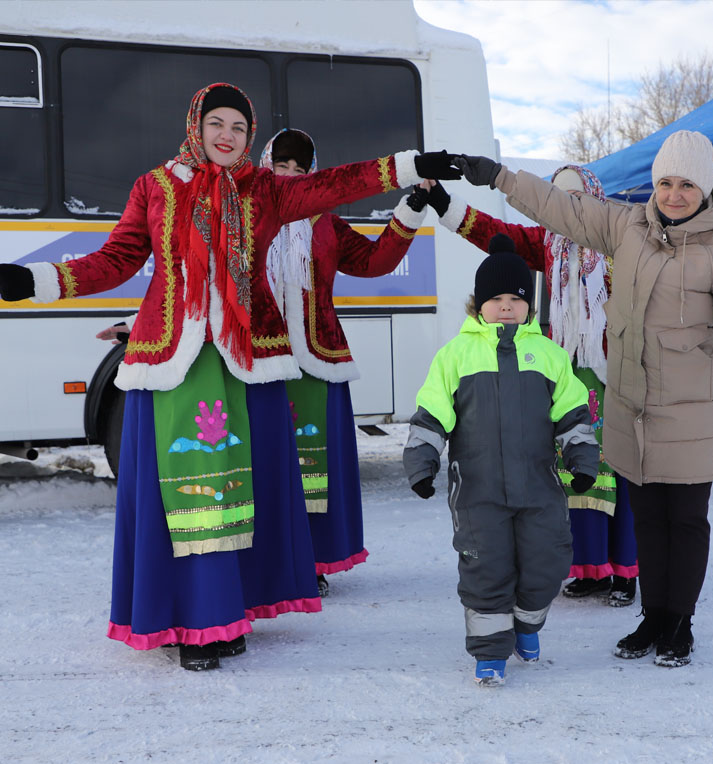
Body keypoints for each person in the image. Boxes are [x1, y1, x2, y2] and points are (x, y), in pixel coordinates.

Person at [0, 82, 461, 672]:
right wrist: (34, 282)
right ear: (196, 124)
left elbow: (335, 184)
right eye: (217, 123)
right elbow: (115, 261)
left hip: (251, 361)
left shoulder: (265, 189)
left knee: (244, 491)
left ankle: (230, 611)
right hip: (174, 361)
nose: (227, 135)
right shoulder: (156, 187)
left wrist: (406, 168)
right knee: (189, 493)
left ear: (249, 138)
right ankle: (189, 619)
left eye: (239, 128)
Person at [452, 130, 713, 667]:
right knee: (646, 520)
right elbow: (562, 210)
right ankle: (652, 618)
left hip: (690, 412)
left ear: (705, 188)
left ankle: (678, 623)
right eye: (665, 182)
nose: (674, 194)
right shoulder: (627, 226)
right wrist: (498, 175)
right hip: (632, 406)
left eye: (687, 184)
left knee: (684, 521)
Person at [410, 166, 639, 608]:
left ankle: (624, 569)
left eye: (579, 199)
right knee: (568, 470)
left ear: (596, 199)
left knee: (618, 467)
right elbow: (491, 234)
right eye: (562, 199)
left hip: (615, 371)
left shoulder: (620, 239)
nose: (571, 210)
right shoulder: (546, 243)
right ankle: (590, 568)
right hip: (557, 364)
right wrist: (442, 202)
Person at [402, 234, 599, 687]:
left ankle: (527, 625)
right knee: (486, 567)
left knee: (547, 560)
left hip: (539, 487)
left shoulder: (549, 356)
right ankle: (490, 652)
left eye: (516, 298)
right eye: (496, 298)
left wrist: (582, 458)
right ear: (478, 305)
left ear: (529, 305)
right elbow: (432, 413)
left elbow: (573, 413)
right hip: (478, 490)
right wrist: (421, 463)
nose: (506, 306)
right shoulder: (456, 355)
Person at [260, 128, 431, 596]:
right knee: (270, 464)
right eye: (282, 167)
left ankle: (311, 562)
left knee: (314, 469)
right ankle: (272, 558)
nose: (291, 177)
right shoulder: (249, 218)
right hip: (263, 360)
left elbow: (375, 262)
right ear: (266, 167)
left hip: (319, 360)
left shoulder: (325, 224)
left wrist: (410, 208)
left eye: (300, 169)